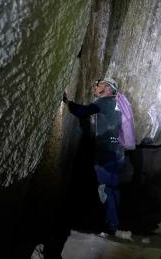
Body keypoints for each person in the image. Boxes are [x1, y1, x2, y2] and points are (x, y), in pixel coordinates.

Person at [63, 78, 124, 233]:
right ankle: (114, 223)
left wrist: (67, 102)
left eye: (99, 85)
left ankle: (111, 224)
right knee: (113, 188)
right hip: (117, 151)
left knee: (105, 188)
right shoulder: (117, 104)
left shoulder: (105, 102)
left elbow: (83, 111)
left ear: (108, 89)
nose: (96, 87)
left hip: (106, 152)